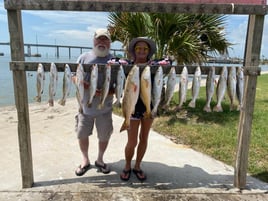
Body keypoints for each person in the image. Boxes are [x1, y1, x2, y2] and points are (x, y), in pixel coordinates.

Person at [74, 28, 116, 176]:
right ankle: (85, 160)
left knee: (104, 135)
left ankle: (100, 159)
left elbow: (120, 86)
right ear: (94, 41)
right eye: (99, 39)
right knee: (81, 134)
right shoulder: (83, 57)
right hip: (85, 108)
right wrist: (86, 85)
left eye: (105, 39)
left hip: (105, 108)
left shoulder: (114, 61)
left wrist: (104, 92)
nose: (102, 42)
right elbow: (74, 77)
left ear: (110, 43)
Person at [120, 37, 158, 182]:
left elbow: (168, 62)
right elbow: (113, 62)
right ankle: (127, 165)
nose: (141, 51)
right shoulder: (127, 65)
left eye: (145, 49)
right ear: (133, 51)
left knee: (144, 138)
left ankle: (137, 166)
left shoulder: (154, 66)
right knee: (132, 141)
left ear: (149, 52)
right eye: (138, 48)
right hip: (132, 107)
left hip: (148, 107)